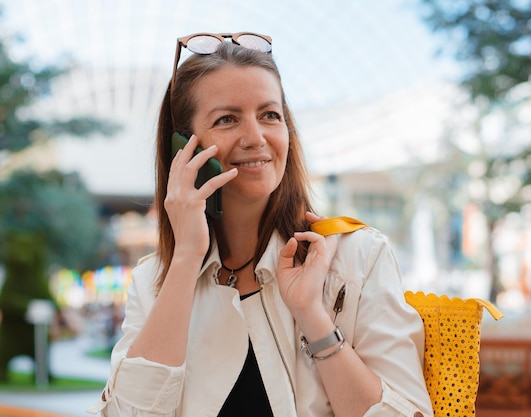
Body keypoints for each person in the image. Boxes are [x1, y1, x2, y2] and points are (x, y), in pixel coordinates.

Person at [90, 32, 433, 417]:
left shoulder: (359, 257)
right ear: (183, 147)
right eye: (227, 119)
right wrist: (186, 258)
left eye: (270, 115)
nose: (256, 138)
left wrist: (312, 315)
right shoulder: (155, 281)